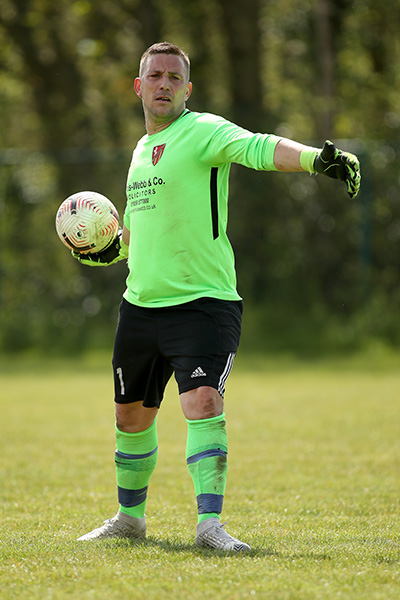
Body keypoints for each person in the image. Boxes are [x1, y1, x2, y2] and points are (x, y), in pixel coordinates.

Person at [74, 42, 360, 551]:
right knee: (129, 417)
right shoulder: (139, 153)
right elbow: (140, 229)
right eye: (155, 76)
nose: (164, 84)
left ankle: (210, 526)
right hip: (140, 306)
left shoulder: (204, 131)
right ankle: (129, 519)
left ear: (188, 88)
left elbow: (257, 146)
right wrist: (112, 251)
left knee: (203, 402)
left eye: (174, 77)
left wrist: (315, 159)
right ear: (139, 87)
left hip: (203, 304)